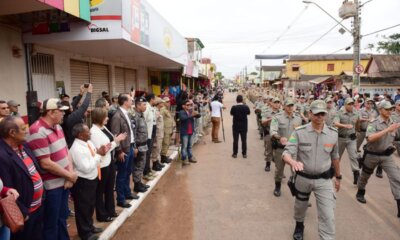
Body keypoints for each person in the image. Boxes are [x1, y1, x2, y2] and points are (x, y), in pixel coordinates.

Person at [283, 100, 341, 240]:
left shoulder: (333, 134)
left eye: (322, 114)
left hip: (324, 180)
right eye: (316, 114)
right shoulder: (299, 132)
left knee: (328, 214)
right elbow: (286, 153)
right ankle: (299, 225)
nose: (320, 117)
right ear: (310, 114)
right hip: (303, 178)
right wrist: (292, 161)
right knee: (300, 206)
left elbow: (335, 157)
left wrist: (338, 177)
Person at [27, 98, 77, 240]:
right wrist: (69, 175)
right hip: (51, 187)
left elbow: (66, 151)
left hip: (64, 181)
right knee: (51, 223)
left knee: (62, 218)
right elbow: (46, 163)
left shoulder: (58, 127)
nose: (63, 114)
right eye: (60, 111)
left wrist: (70, 174)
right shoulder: (37, 131)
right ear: (50, 112)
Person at [0, 116, 44, 240]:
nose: (27, 131)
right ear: (12, 133)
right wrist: (23, 212)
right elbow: (7, 190)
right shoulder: (2, 156)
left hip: (38, 207)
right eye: (23, 128)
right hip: (24, 214)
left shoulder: (24, 146)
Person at [355, 101, 400, 219]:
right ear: (380, 110)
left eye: (391, 109)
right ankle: (361, 191)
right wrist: (387, 130)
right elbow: (370, 138)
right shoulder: (373, 123)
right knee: (365, 176)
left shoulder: (394, 123)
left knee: (396, 178)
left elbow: (397, 137)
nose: (390, 111)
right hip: (372, 155)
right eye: (387, 109)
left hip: (386, 156)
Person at [70, 123, 110, 240]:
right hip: (83, 182)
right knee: (83, 208)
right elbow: (86, 168)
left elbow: (95, 154)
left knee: (90, 206)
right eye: (87, 131)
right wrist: (98, 155)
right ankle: (85, 233)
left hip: (92, 179)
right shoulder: (77, 149)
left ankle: (89, 226)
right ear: (80, 135)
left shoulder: (88, 143)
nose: (90, 133)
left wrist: (100, 151)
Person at [90, 108, 126, 222]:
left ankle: (110, 210)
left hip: (109, 162)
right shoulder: (94, 131)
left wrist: (115, 140)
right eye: (105, 116)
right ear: (100, 118)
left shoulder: (103, 127)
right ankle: (102, 214)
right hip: (102, 164)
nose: (108, 118)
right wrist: (116, 141)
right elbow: (103, 149)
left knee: (110, 188)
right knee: (100, 191)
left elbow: (110, 141)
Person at [270, 98, 302, 197]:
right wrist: (279, 137)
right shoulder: (277, 117)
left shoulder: (298, 118)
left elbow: (300, 132)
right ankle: (277, 186)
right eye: (288, 105)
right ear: (284, 106)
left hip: (293, 149)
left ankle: (298, 192)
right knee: (279, 170)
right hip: (281, 148)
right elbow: (273, 131)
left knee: (296, 170)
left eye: (292, 105)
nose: (290, 107)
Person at [111, 94, 139, 208]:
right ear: (124, 102)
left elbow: (131, 131)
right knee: (121, 175)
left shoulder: (127, 113)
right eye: (130, 99)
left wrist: (134, 146)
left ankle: (127, 193)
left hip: (130, 146)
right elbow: (115, 135)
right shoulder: (117, 116)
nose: (132, 101)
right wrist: (119, 151)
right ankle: (120, 198)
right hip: (123, 149)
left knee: (128, 172)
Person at [334, 98, 361, 185]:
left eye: (352, 104)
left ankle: (356, 173)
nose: (351, 106)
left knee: (354, 156)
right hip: (340, 138)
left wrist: (357, 131)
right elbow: (335, 123)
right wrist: (345, 125)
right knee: (337, 157)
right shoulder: (339, 113)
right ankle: (334, 172)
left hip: (351, 139)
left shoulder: (356, 112)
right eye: (349, 104)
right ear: (345, 105)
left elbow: (357, 122)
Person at [132, 97, 151, 193]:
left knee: (141, 165)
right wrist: (134, 147)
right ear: (138, 105)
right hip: (139, 146)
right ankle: (136, 184)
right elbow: (133, 133)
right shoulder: (135, 116)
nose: (146, 106)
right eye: (144, 105)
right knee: (138, 166)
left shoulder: (141, 115)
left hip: (143, 145)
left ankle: (139, 182)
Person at [143, 94, 160, 180]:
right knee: (147, 154)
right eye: (155, 99)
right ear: (151, 99)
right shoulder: (146, 108)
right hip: (147, 134)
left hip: (151, 132)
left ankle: (148, 170)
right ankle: (145, 171)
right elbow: (144, 121)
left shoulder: (151, 107)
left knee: (149, 153)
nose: (156, 100)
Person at [261, 97, 281, 171]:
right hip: (268, 132)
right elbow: (263, 121)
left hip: (279, 134)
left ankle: (279, 169)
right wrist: (271, 118)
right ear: (271, 103)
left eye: (278, 103)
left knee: (279, 152)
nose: (276, 104)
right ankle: (268, 164)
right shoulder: (267, 112)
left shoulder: (282, 113)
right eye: (275, 102)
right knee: (269, 150)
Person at [179, 100, 200, 165]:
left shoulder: (191, 111)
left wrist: (196, 113)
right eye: (187, 105)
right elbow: (183, 118)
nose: (189, 106)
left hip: (191, 131)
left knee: (190, 146)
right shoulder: (181, 112)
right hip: (184, 132)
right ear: (183, 106)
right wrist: (191, 115)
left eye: (190, 105)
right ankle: (184, 159)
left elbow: (199, 116)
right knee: (184, 146)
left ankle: (190, 157)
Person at [150, 98, 166, 174]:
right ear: (158, 103)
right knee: (156, 148)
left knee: (159, 148)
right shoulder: (155, 111)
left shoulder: (158, 110)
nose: (163, 104)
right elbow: (154, 122)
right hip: (157, 133)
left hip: (160, 132)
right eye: (161, 102)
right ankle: (154, 163)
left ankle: (157, 162)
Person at [160, 97, 174, 164]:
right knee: (165, 143)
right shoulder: (162, 109)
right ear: (164, 102)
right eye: (167, 102)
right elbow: (160, 119)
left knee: (167, 143)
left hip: (169, 129)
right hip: (165, 129)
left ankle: (164, 156)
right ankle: (163, 157)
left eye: (169, 101)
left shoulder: (167, 109)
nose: (169, 103)